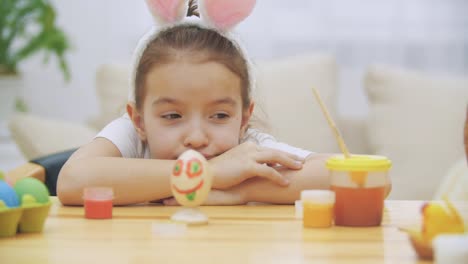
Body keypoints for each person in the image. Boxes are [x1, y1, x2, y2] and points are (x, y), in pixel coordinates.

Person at [57, 0, 331, 206]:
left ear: (244, 118)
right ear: (139, 120)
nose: (197, 138)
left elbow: (341, 173)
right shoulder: (132, 136)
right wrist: (209, 173)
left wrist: (242, 190)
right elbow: (72, 180)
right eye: (173, 116)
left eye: (220, 115)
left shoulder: (246, 149)